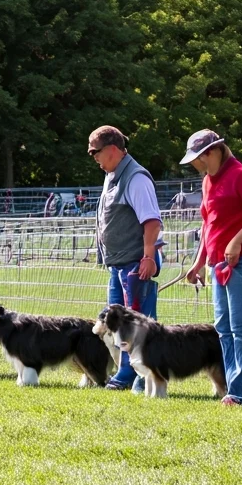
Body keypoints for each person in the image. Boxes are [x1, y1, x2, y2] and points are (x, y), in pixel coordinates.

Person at [181, 129, 242, 406]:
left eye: (197, 159)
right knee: (224, 327)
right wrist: (199, 262)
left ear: (212, 152)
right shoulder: (208, 181)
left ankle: (240, 393)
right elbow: (208, 224)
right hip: (217, 264)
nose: (195, 165)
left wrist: (236, 242)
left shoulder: (240, 175)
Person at [89, 125, 164, 391]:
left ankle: (144, 379)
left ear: (112, 149)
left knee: (140, 326)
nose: (93, 157)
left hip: (135, 265)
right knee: (119, 326)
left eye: (95, 151)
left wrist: (148, 257)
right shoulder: (113, 176)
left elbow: (152, 223)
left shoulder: (136, 178)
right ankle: (126, 375)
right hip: (119, 265)